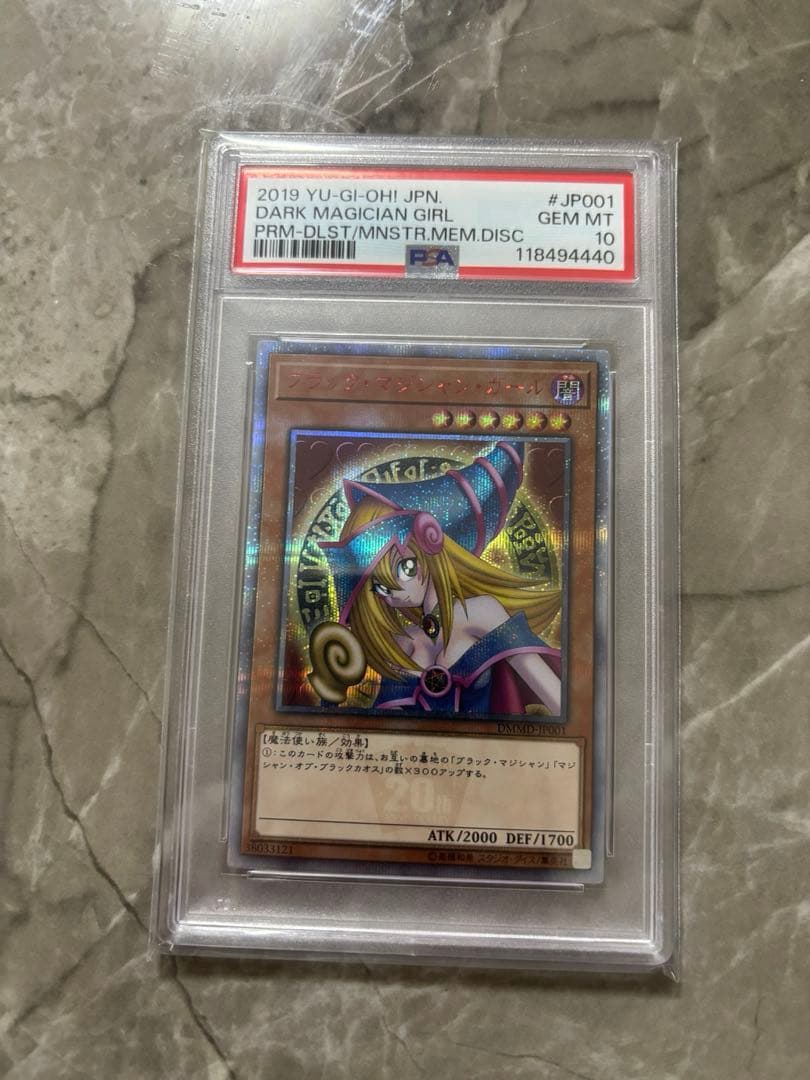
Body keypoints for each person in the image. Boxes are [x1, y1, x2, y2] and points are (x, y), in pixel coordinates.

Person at [308, 440, 562, 717]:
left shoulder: (480, 612)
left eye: (404, 568)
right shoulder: (403, 642)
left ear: (430, 546)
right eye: (379, 586)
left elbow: (555, 697)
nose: (393, 593)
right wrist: (331, 688)